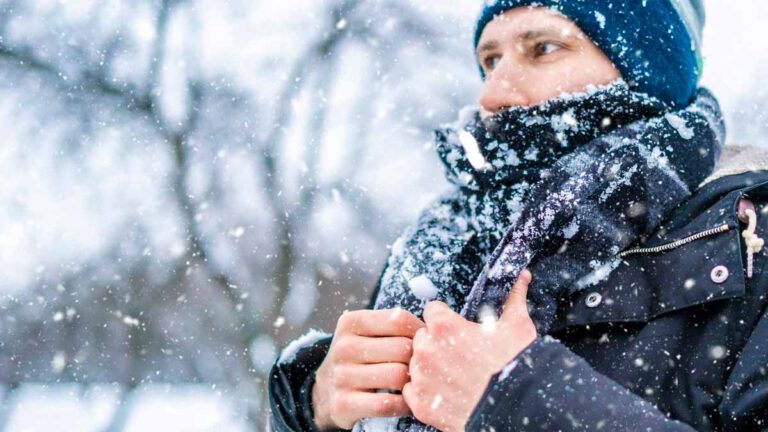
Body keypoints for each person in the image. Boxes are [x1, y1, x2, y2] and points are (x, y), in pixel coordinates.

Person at [269, 1, 768, 431]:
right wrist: (315, 401)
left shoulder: (749, 238)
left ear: (647, 69)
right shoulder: (446, 239)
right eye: (489, 60)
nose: (492, 95)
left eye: (543, 48)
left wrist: (518, 400)